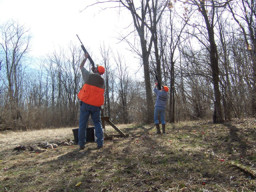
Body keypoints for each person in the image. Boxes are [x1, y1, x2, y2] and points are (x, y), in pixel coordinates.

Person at [77, 53, 105, 150]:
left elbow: (81, 67)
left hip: (85, 104)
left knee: (83, 124)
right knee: (97, 123)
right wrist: (94, 69)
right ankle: (100, 143)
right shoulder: (102, 82)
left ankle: (81, 144)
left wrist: (85, 58)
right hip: (96, 106)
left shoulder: (89, 76)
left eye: (96, 68)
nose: (94, 68)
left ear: (97, 70)